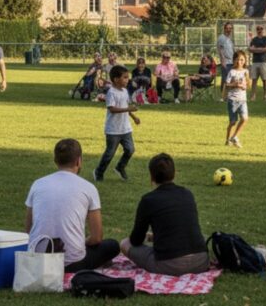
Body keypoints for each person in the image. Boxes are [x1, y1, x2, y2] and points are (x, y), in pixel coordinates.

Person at [25, 139, 120, 271]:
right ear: (78, 161)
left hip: (38, 259)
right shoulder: (88, 188)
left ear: (55, 160)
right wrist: (83, 242)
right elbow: (97, 237)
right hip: (72, 263)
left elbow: (29, 229)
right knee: (112, 245)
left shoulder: (38, 184)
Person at [120, 153, 209, 275]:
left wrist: (147, 237)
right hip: (201, 261)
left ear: (151, 177)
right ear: (174, 173)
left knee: (125, 243)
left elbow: (135, 240)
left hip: (169, 265)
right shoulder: (187, 194)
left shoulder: (148, 200)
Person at [94, 66, 140, 182]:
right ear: (116, 79)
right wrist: (127, 109)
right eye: (124, 78)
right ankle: (99, 172)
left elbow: (125, 107)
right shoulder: (111, 93)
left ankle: (120, 167)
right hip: (113, 129)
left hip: (125, 128)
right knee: (109, 153)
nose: (127, 80)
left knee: (130, 149)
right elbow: (112, 109)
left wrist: (134, 117)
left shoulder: (125, 91)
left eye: (127, 77)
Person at [224, 50, 250, 148]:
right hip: (233, 100)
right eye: (238, 60)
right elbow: (226, 84)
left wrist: (244, 86)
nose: (240, 62)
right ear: (234, 60)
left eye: (242, 60)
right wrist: (234, 84)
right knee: (233, 122)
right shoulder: (232, 72)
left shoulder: (246, 71)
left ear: (245, 61)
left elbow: (248, 84)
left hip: (242, 100)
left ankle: (234, 137)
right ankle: (227, 139)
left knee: (245, 118)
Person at [247, 25, 266, 102]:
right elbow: (250, 49)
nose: (259, 30)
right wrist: (262, 49)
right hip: (255, 62)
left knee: (264, 79)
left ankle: (265, 96)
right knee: (254, 80)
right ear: (256, 30)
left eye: (261, 28)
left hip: (263, 61)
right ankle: (253, 96)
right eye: (258, 29)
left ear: (263, 30)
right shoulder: (254, 39)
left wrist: (256, 49)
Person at [217, 23, 235, 101]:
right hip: (226, 62)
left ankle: (228, 96)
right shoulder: (222, 38)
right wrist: (222, 60)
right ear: (224, 29)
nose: (229, 30)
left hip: (231, 62)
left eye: (230, 28)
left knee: (231, 79)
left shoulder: (230, 39)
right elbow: (220, 49)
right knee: (225, 80)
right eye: (227, 28)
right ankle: (223, 96)